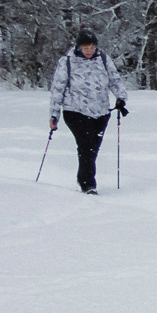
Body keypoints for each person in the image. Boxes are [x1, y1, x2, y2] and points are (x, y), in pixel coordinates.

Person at [46, 29, 128, 194]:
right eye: (85, 47)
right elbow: (58, 89)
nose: (89, 50)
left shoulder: (104, 59)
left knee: (93, 148)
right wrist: (54, 114)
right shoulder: (67, 62)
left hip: (101, 112)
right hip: (75, 111)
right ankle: (88, 184)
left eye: (91, 47)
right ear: (79, 47)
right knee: (86, 146)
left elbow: (114, 79)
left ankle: (82, 176)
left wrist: (121, 97)